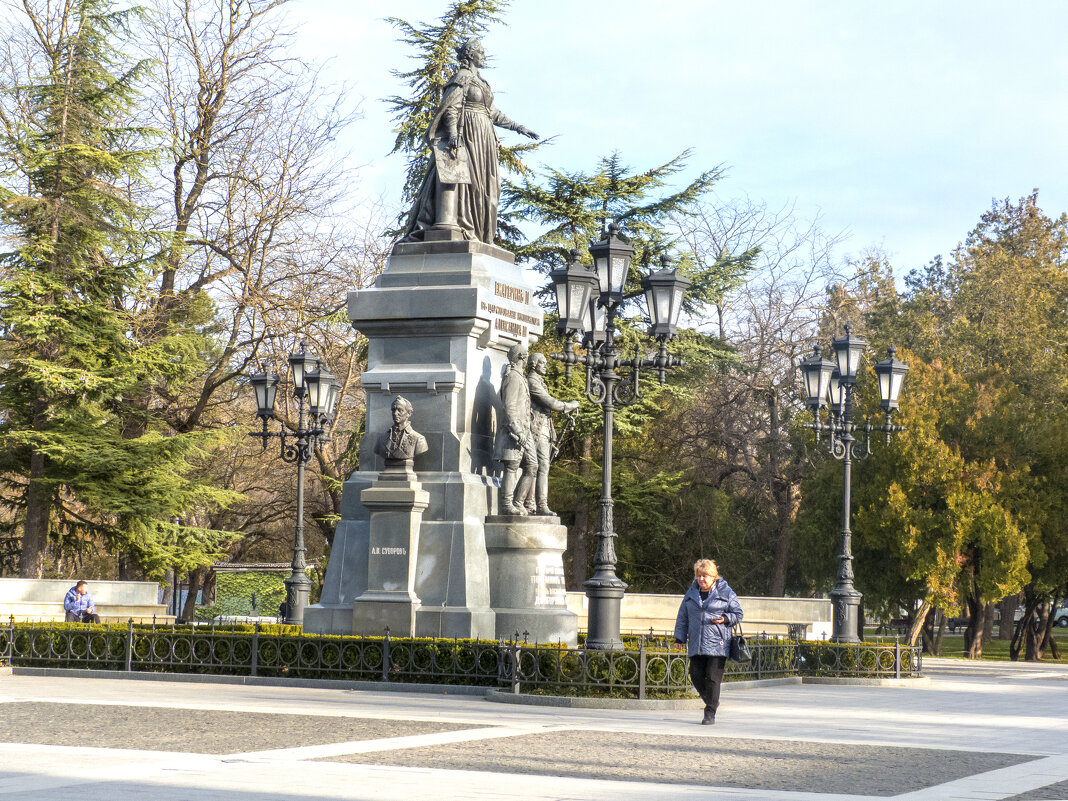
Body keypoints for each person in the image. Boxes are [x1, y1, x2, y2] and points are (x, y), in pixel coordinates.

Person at [401, 37, 538, 244]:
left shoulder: (482, 82)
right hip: (469, 136)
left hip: (485, 137)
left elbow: (492, 112)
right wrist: (454, 134)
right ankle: (464, 226)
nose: (483, 55)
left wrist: (518, 127)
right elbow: (450, 109)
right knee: (470, 184)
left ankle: (481, 233)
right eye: (480, 52)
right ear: (470, 54)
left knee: (488, 186)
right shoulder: (462, 77)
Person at [673, 559, 743, 725]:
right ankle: (712, 701)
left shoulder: (726, 592)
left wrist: (725, 618)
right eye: (699, 576)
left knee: (712, 678)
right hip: (697, 642)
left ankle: (709, 713)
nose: (701, 579)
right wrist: (679, 638)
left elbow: (738, 614)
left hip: (718, 643)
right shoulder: (691, 594)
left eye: (705, 576)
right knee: (695, 675)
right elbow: (683, 616)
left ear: (714, 576)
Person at [523, 352, 579, 515]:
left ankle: (538, 504)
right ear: (533, 364)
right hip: (536, 430)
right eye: (542, 362)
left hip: (544, 429)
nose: (546, 365)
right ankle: (534, 504)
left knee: (543, 467)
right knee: (537, 467)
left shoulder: (539, 381)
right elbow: (550, 402)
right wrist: (569, 405)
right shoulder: (532, 381)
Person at [493, 343, 536, 515]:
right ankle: (507, 505)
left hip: (525, 430)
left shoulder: (519, 377)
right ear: (520, 357)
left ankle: (518, 502)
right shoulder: (512, 378)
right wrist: (517, 430)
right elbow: (509, 406)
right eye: (525, 356)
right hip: (514, 431)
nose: (527, 359)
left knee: (533, 465)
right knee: (512, 466)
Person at [374, 395, 429, 467]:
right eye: (393, 410)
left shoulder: (419, 439)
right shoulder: (381, 439)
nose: (395, 413)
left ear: (409, 413)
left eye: (400, 410)